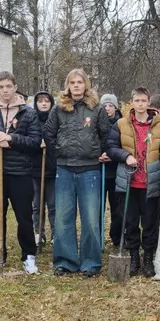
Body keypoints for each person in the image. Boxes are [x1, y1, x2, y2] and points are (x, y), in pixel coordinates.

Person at [45, 69, 111, 277]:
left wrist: (98, 152)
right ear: (68, 85)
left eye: (79, 82)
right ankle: (65, 261)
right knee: (64, 218)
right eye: (72, 82)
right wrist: (60, 153)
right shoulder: (58, 109)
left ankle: (90, 262)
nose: (76, 86)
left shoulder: (96, 109)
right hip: (64, 170)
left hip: (89, 170)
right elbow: (49, 134)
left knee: (91, 218)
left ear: (86, 85)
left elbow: (106, 134)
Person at [0, 72, 41, 274]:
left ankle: (29, 256)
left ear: (15, 87)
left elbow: (34, 142)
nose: (5, 90)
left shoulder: (28, 113)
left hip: (20, 172)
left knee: (23, 215)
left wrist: (11, 139)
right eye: (1, 87)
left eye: (8, 86)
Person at [107, 87, 160, 277]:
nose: (140, 104)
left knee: (150, 222)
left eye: (143, 101)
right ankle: (134, 257)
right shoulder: (121, 124)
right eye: (137, 101)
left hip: (151, 181)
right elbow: (110, 147)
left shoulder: (159, 126)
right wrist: (125, 156)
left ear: (148, 103)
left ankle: (148, 257)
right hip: (128, 182)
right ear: (131, 102)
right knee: (131, 222)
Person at [32, 91, 57, 246]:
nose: (43, 103)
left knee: (53, 204)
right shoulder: (32, 120)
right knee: (37, 205)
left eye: (46, 101)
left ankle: (55, 233)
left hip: (52, 168)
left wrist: (50, 144)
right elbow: (27, 140)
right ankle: (38, 233)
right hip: (35, 169)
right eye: (40, 101)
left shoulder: (55, 119)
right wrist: (37, 144)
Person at [100, 93, 124, 247]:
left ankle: (117, 238)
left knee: (118, 209)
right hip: (99, 170)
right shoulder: (96, 122)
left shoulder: (122, 123)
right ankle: (97, 238)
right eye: (105, 106)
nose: (107, 109)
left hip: (116, 172)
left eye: (110, 105)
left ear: (116, 107)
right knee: (97, 209)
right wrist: (98, 155)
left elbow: (125, 144)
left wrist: (114, 156)